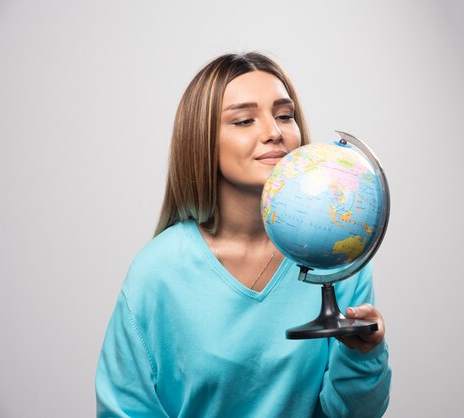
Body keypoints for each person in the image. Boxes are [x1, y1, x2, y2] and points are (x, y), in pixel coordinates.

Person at [95, 52, 391, 418]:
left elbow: (353, 415)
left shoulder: (338, 253)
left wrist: (364, 353)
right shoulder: (158, 272)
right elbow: (126, 409)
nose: (274, 132)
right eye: (244, 120)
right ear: (201, 140)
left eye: (285, 115)